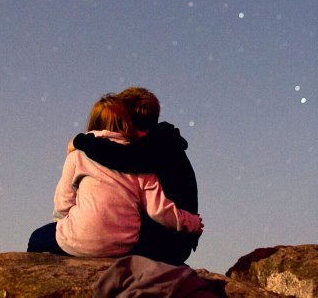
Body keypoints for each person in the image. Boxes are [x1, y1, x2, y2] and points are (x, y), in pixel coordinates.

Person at [27, 94, 203, 257]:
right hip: (143, 241)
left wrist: (80, 142)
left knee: (37, 238)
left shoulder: (141, 154)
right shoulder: (156, 148)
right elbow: (159, 209)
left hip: (164, 245)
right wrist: (193, 223)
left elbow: (64, 200)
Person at [71, 87, 199, 265]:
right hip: (173, 240)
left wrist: (82, 141)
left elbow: (121, 157)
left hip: (164, 244)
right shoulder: (162, 143)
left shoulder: (152, 147)